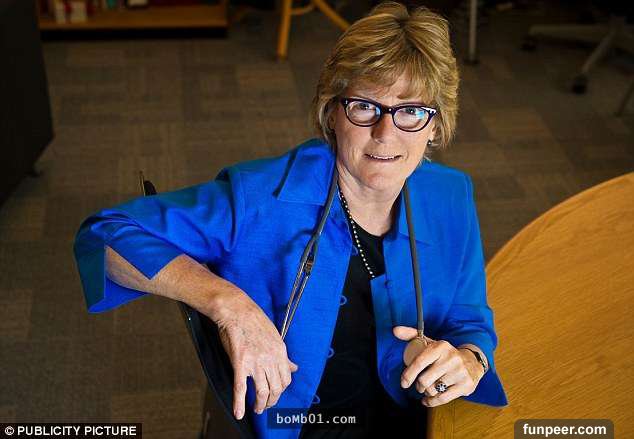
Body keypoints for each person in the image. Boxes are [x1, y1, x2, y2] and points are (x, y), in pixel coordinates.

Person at [73, 2, 508, 438]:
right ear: (332, 112)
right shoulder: (261, 197)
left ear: (435, 126)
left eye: (411, 111)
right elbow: (106, 237)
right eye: (364, 107)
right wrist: (229, 305)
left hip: (417, 418)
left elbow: (469, 320)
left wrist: (470, 360)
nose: (385, 133)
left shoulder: (450, 195)